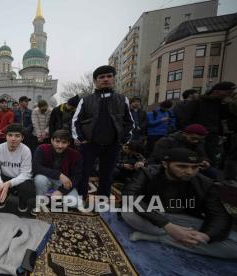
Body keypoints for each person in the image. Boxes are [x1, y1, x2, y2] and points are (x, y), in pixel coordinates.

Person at [122, 148, 237, 259]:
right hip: (151, 215)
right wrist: (168, 226)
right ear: (165, 164)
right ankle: (173, 236)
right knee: (127, 211)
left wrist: (205, 236)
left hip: (182, 220)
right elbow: (129, 197)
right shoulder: (148, 172)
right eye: (182, 166)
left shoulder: (206, 183)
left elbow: (219, 215)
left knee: (233, 247)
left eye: (195, 167)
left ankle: (159, 238)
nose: (189, 172)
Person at [72, 65, 134, 199]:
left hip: (112, 145)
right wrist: (81, 139)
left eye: (109, 76)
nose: (105, 79)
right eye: (101, 77)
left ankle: (103, 200)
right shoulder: (86, 99)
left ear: (114, 79)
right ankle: (80, 197)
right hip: (89, 144)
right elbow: (76, 121)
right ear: (95, 81)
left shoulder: (122, 99)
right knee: (84, 172)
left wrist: (124, 139)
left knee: (107, 174)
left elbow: (130, 122)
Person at [181, 81, 236, 166]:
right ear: (217, 91)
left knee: (210, 158)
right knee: (195, 157)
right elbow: (186, 118)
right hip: (197, 135)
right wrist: (189, 133)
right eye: (228, 92)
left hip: (213, 135)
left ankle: (209, 178)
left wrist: (228, 104)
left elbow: (227, 116)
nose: (230, 95)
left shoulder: (220, 103)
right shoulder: (198, 101)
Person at [0, 123, 35, 212]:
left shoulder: (26, 150)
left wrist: (9, 184)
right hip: (4, 178)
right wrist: (0, 184)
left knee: (28, 188)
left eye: (17, 136)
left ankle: (22, 200)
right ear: (6, 136)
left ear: (22, 138)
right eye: (10, 135)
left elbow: (26, 173)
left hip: (19, 179)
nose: (13, 139)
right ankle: (2, 197)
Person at [33, 129, 81, 200]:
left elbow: (77, 176)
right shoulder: (42, 149)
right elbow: (36, 167)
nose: (60, 146)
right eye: (57, 141)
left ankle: (53, 197)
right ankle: (42, 202)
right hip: (46, 178)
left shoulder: (75, 155)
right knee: (40, 179)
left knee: (74, 203)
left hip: (63, 183)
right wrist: (59, 175)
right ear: (52, 140)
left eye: (64, 142)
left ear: (68, 143)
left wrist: (61, 191)